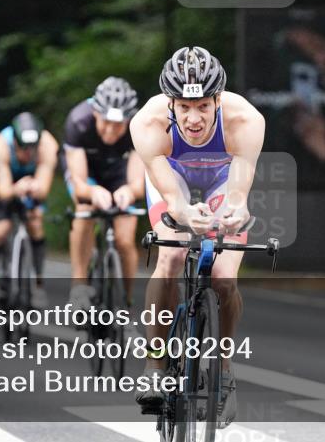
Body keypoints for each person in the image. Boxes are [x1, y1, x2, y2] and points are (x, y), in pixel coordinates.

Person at [130, 46, 265, 427]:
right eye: (184, 106)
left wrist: (235, 211)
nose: (193, 118)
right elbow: (172, 198)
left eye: (204, 106)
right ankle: (155, 366)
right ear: (170, 103)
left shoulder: (245, 119)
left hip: (223, 180)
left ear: (218, 100)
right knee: (171, 257)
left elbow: (238, 194)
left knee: (223, 278)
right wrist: (186, 213)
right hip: (174, 178)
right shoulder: (147, 123)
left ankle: (222, 368)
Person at [63, 77, 145, 310]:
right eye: (105, 122)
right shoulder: (78, 120)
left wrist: (128, 191)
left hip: (119, 173)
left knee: (124, 240)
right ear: (95, 113)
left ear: (128, 120)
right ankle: (79, 286)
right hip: (88, 171)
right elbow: (78, 183)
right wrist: (92, 190)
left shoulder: (138, 128)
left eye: (118, 125)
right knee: (84, 209)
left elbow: (137, 183)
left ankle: (125, 305)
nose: (111, 130)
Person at [0, 111, 58, 308]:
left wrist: (35, 188)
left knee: (36, 223)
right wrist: (17, 188)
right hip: (6, 180)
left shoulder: (48, 145)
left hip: (32, 180)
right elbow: (4, 191)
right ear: (14, 141)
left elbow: (43, 188)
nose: (27, 154)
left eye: (32, 149)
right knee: (1, 228)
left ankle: (38, 283)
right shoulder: (0, 146)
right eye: (23, 149)